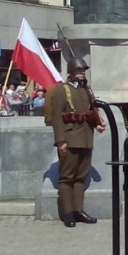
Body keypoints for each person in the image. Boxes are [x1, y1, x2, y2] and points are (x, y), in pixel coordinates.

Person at [48, 58, 105, 228]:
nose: (82, 73)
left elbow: (91, 111)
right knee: (67, 178)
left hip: (86, 138)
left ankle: (78, 210)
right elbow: (57, 117)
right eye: (79, 71)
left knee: (81, 177)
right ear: (71, 72)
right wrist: (61, 141)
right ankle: (68, 213)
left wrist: (98, 124)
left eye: (83, 71)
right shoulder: (62, 90)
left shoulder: (86, 90)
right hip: (70, 138)